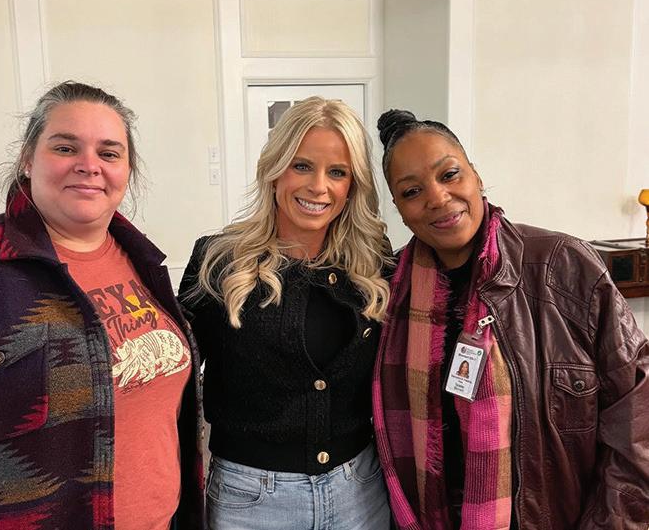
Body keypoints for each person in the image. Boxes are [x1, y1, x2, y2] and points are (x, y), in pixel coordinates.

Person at [0, 82, 204, 529]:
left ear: (127, 170)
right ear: (27, 158)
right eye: (65, 147)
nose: (89, 165)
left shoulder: (144, 263)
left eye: (109, 153)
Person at [372, 108, 649, 529]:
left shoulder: (562, 267)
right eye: (412, 191)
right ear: (399, 207)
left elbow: (638, 424)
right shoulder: (389, 292)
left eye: (449, 175)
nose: (438, 198)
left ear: (476, 175)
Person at [179, 97, 392, 529]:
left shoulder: (373, 263)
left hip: (360, 492)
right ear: (274, 170)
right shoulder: (219, 261)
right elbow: (174, 381)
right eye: (302, 166)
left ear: (352, 186)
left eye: (338, 172)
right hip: (251, 500)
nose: (319, 187)